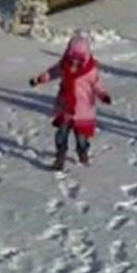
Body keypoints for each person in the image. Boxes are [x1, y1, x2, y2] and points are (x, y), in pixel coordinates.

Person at [30, 34, 111, 171]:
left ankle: (82, 151)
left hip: (83, 109)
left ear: (85, 56)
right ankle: (60, 158)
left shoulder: (90, 70)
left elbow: (97, 85)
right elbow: (52, 73)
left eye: (78, 58)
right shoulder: (63, 65)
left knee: (81, 137)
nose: (74, 61)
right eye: (72, 56)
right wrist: (39, 79)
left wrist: (103, 95)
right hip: (65, 106)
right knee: (61, 133)